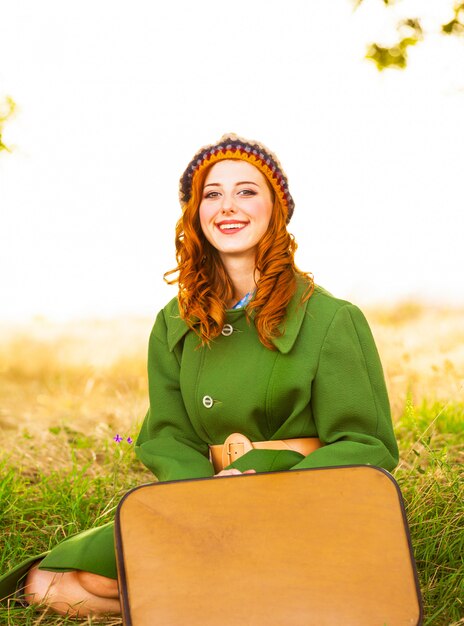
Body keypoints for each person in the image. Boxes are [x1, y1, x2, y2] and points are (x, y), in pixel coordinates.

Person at [0, 133, 399, 617]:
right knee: (51, 583)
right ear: (195, 213)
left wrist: (261, 482)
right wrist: (200, 497)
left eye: (247, 191)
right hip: (202, 502)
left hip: (296, 502)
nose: (228, 205)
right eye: (212, 194)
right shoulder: (175, 320)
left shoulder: (332, 318)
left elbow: (366, 442)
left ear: (276, 208)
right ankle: (237, 594)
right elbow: (168, 433)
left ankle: (224, 592)